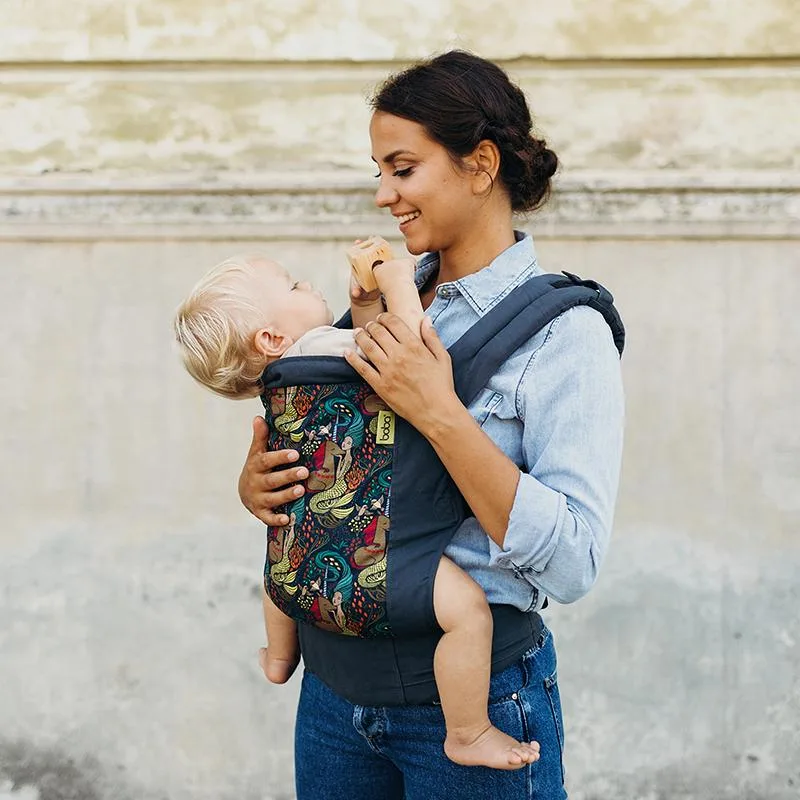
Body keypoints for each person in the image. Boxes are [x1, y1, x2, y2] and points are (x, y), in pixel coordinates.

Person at [237, 50, 625, 800]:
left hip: (473, 700)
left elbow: (574, 562)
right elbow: (335, 471)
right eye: (377, 170)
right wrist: (262, 486)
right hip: (332, 697)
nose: (383, 194)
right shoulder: (375, 311)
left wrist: (440, 414)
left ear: (480, 164)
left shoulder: (565, 334)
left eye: (403, 168)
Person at [173, 251, 540, 770]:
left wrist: (361, 306)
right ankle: (469, 730)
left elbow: (358, 361)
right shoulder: (321, 349)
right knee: (469, 616)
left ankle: (279, 657)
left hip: (306, 548)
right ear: (272, 340)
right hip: (382, 553)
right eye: (295, 286)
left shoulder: (285, 382)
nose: (309, 286)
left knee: (282, 567)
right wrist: (392, 281)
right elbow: (409, 348)